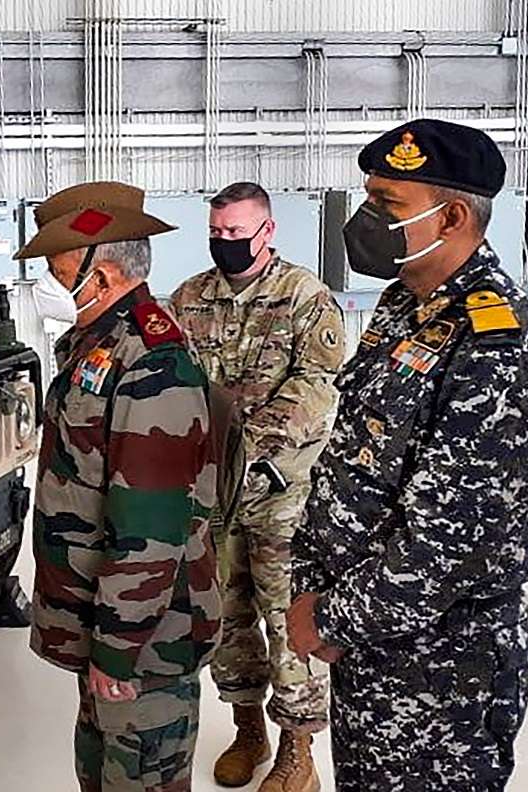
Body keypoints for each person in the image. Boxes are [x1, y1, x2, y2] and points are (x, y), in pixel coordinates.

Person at [287, 119, 528, 790]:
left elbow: (452, 540)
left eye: (388, 205)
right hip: (371, 644)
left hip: (444, 668)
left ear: (457, 216)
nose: (366, 218)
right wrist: (311, 585)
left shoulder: (500, 341)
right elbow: (350, 462)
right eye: (369, 198)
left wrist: (330, 617)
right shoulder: (403, 306)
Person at [15, 181, 226, 792]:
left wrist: (117, 649)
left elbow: (151, 530)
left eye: (57, 272)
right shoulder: (101, 346)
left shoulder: (152, 363)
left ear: (100, 278)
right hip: (107, 626)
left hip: (147, 643)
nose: (48, 286)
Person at [170, 182, 343, 792]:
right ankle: (249, 728)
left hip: (282, 493)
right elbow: (176, 386)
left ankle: (299, 751)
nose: (224, 244)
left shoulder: (306, 297)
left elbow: (318, 387)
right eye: (216, 234)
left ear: (267, 232)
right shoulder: (189, 298)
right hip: (214, 493)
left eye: (236, 235)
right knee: (228, 615)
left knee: (287, 618)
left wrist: (255, 451)